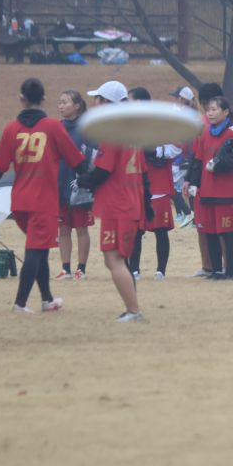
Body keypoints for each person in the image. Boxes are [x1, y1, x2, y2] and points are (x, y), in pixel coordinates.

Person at [0, 77, 86, 313]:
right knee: (35, 252)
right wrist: (92, 178)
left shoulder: (11, 128)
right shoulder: (52, 126)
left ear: (22, 99)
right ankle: (20, 303)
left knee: (40, 249)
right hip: (43, 202)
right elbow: (77, 161)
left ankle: (47, 299)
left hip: (19, 202)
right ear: (44, 99)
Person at [76, 80, 152, 322]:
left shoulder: (112, 131)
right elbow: (143, 172)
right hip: (129, 203)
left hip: (118, 205)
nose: (94, 103)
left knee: (114, 259)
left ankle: (134, 311)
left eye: (98, 99)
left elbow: (103, 170)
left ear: (107, 103)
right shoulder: (130, 131)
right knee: (118, 259)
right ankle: (132, 307)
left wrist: (82, 180)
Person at [187, 95, 233, 280]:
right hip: (207, 191)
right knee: (210, 232)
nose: (210, 113)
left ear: (225, 112)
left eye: (214, 109)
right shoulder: (205, 132)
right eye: (208, 110)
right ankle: (216, 270)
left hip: (226, 193)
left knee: (227, 233)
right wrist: (194, 182)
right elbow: (198, 160)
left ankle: (230, 272)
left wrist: (218, 164)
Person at [127, 87, 178, 281]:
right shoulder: (127, 125)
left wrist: (156, 151)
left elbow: (176, 147)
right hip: (136, 184)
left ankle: (160, 271)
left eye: (130, 100)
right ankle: (134, 270)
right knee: (136, 231)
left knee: (160, 230)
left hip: (159, 184)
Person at [55, 90, 96, 281]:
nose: (61, 106)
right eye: (59, 102)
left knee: (81, 228)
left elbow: (93, 156)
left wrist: (85, 178)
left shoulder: (87, 128)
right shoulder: (57, 128)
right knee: (63, 229)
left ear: (77, 106)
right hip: (60, 183)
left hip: (80, 186)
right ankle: (66, 269)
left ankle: (81, 269)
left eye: (65, 102)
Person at [169, 86, 195, 225]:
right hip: (187, 156)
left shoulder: (181, 114)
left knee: (172, 187)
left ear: (181, 99)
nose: (174, 99)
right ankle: (190, 215)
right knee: (188, 188)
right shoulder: (191, 113)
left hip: (180, 158)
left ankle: (188, 214)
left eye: (176, 97)